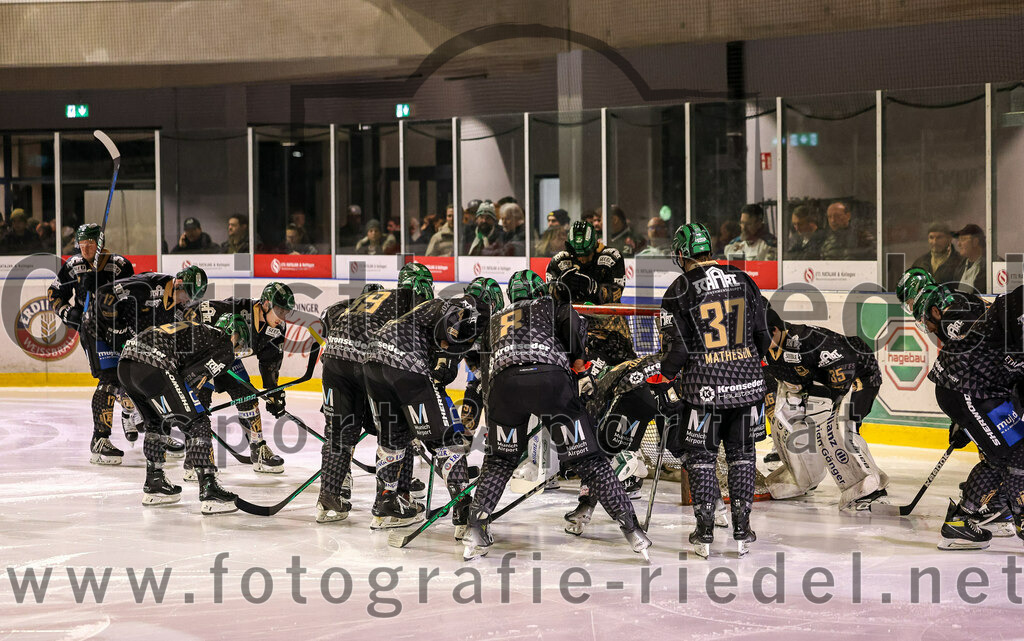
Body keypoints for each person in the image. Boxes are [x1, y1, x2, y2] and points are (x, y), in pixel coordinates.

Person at [461, 272, 652, 562]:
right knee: (589, 460)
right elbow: (575, 327)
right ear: (542, 290)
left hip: (503, 387)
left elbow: (483, 370)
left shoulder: (496, 319)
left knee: (500, 460)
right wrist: (582, 371)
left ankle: (475, 529)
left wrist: (501, 416)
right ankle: (633, 530)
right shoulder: (551, 305)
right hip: (550, 381)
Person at [648, 222, 771, 558]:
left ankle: (704, 534)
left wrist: (663, 378)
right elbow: (764, 336)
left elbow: (678, 351)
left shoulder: (678, 290)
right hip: (748, 387)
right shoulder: (744, 279)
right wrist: (745, 364)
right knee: (742, 456)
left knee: (702, 460)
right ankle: (743, 531)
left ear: (680, 254)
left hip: (703, 390)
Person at [318, 265, 435, 524]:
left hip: (333, 360)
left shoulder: (368, 297)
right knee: (396, 427)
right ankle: (394, 498)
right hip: (366, 362)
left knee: (340, 431)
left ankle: (328, 495)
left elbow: (328, 317)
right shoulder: (412, 301)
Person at [916, 283, 1024, 549]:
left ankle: (974, 516)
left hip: (983, 388)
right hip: (967, 387)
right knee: (1009, 454)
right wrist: (962, 417)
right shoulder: (1019, 308)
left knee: (1011, 453)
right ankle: (983, 517)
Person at [365, 294, 484, 531]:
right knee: (445, 438)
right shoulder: (461, 307)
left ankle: (386, 503)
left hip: (372, 362)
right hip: (405, 362)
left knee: (394, 438)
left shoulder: (425, 310)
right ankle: (463, 508)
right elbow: (446, 339)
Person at [761, 303, 889, 509]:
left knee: (840, 427)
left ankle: (870, 487)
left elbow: (845, 359)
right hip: (816, 384)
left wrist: (831, 397)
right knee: (786, 422)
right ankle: (804, 477)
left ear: (775, 330)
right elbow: (767, 374)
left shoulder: (803, 339)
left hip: (859, 372)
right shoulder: (766, 347)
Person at [117, 314, 249, 513]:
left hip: (126, 363)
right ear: (235, 335)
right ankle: (209, 488)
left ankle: (155, 482)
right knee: (198, 421)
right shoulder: (224, 342)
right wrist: (191, 408)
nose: (236, 351)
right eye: (239, 345)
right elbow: (193, 378)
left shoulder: (200, 332)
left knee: (157, 421)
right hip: (154, 362)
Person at [183, 282, 295, 476]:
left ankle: (257, 448)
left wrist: (273, 392)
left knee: (247, 397)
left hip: (229, 359)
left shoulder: (276, 330)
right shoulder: (235, 308)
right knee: (200, 403)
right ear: (266, 304)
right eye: (279, 310)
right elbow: (192, 312)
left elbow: (270, 363)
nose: (282, 317)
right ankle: (195, 457)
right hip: (202, 357)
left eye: (286, 312)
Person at [93, 266, 207, 455]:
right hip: (100, 329)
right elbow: (104, 293)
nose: (188, 300)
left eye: (192, 297)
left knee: (156, 378)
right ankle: (100, 440)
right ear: (178, 284)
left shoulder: (177, 308)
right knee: (111, 379)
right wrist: (117, 329)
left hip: (129, 340)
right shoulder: (149, 286)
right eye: (187, 294)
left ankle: (140, 418)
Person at [48, 224, 136, 464]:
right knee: (109, 379)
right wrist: (69, 314)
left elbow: (132, 295)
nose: (86, 248)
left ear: (100, 242)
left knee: (131, 374)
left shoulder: (119, 264)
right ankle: (100, 439)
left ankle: (129, 412)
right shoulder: (72, 265)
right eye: (82, 243)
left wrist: (104, 286)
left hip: (120, 328)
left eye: (90, 243)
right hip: (93, 329)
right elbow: (53, 294)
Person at [953, 224, 990, 294]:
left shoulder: (991, 265)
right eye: (958, 240)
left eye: (963, 239)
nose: (959, 244)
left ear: (975, 242)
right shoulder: (960, 267)